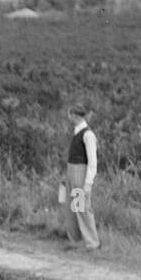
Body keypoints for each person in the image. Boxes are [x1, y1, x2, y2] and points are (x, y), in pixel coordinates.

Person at [64, 102, 101, 250]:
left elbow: (92, 161)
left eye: (70, 114)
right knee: (73, 207)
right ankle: (76, 239)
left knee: (81, 207)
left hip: (80, 172)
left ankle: (92, 242)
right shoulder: (76, 132)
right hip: (72, 170)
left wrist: (88, 183)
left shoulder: (87, 134)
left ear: (74, 115)